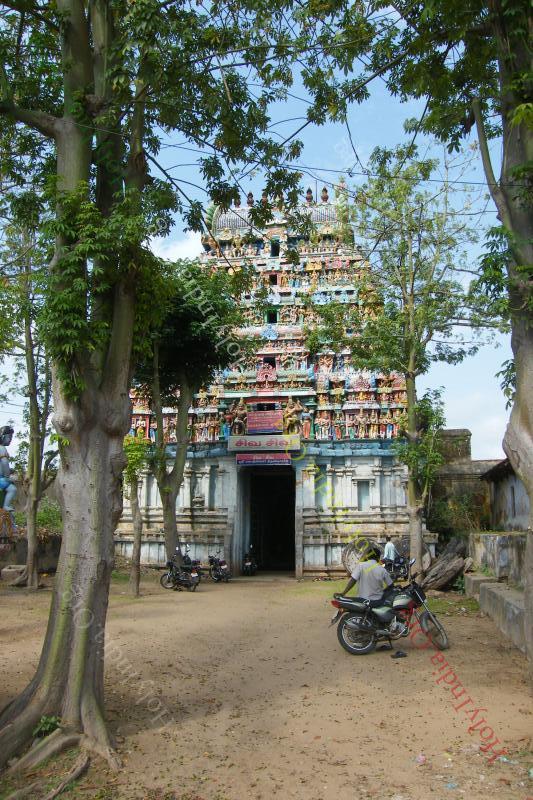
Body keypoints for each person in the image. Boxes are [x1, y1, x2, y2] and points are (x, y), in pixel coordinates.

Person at [0, 426, 17, 511]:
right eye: (9, 437)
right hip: (1, 479)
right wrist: (8, 477)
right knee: (12, 489)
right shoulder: (2, 448)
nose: (10, 439)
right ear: (2, 436)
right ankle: (6, 505)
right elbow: (5, 463)